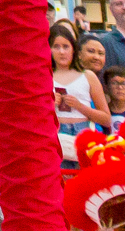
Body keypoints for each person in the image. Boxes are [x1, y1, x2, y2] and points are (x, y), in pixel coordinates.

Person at [50, 21, 110, 162]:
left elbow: (106, 119)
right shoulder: (44, 76)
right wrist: (51, 106)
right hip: (55, 134)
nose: (62, 52)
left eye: (66, 47)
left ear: (73, 49)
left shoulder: (87, 76)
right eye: (56, 47)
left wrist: (80, 106)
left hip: (84, 133)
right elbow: (35, 117)